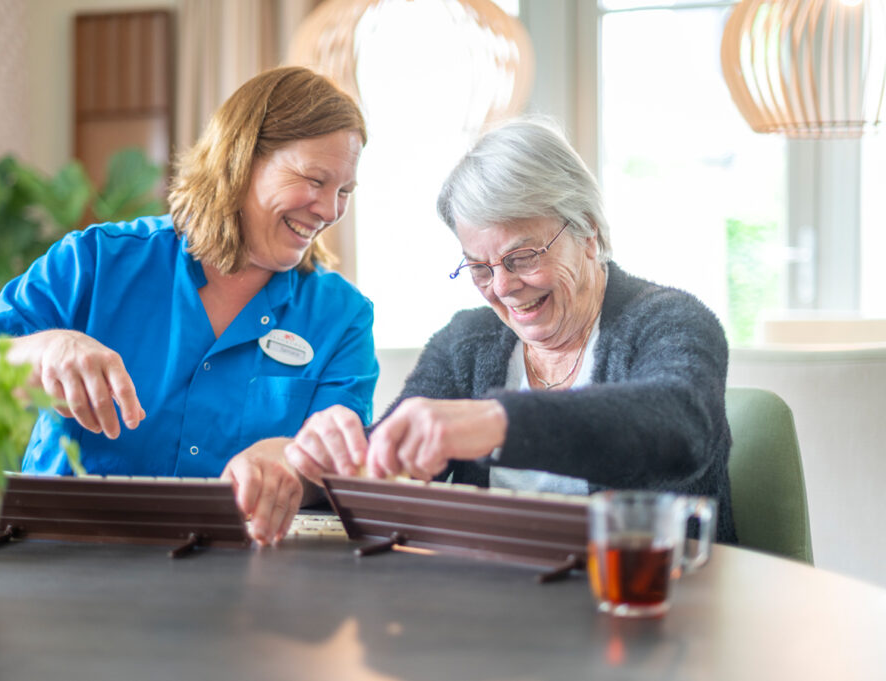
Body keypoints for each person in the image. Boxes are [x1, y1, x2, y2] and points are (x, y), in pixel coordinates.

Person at [0, 67, 378, 545]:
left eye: (344, 192)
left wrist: (288, 465)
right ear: (240, 160)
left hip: (233, 577)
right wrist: (40, 350)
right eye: (315, 180)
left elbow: (340, 463)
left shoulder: (344, 317)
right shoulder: (94, 261)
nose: (330, 209)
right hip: (59, 552)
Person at [286, 117, 737, 543]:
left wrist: (496, 422)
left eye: (523, 257)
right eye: (480, 268)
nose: (502, 287)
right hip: (499, 604)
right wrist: (307, 471)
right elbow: (386, 467)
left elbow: (681, 423)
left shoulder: (668, 320)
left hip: (649, 600)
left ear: (588, 233)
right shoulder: (468, 343)